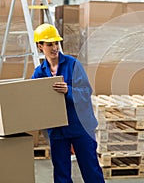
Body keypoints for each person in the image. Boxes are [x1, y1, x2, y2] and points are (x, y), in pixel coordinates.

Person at [32, 23, 105, 183]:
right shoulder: (39, 73)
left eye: (56, 43)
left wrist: (68, 91)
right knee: (61, 174)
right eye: (49, 44)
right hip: (57, 130)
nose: (54, 48)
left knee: (91, 170)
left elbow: (86, 93)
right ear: (40, 46)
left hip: (80, 127)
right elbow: (35, 100)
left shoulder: (73, 65)